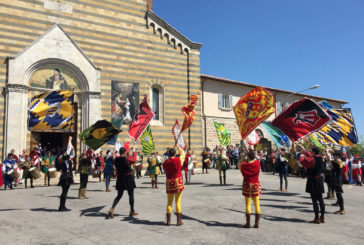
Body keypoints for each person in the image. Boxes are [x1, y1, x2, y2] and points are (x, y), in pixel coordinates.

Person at [108, 147, 138, 218]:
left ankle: (112, 208)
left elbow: (115, 166)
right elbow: (134, 159)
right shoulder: (126, 158)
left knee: (119, 195)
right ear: (124, 152)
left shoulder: (116, 159)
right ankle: (132, 210)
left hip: (120, 178)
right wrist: (133, 151)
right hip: (128, 178)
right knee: (131, 195)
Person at [298, 147, 325, 224]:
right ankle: (322, 217)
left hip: (313, 180)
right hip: (319, 180)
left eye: (311, 152)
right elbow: (310, 156)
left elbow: (303, 162)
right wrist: (304, 150)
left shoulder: (312, 160)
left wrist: (301, 154)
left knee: (314, 200)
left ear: (313, 152)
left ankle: (317, 218)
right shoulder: (320, 158)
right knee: (320, 199)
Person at [162, 146, 185, 226]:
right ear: (175, 153)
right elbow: (183, 154)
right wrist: (179, 147)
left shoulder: (165, 162)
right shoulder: (178, 160)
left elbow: (164, 167)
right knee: (178, 202)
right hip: (177, 182)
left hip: (169, 182)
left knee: (169, 203)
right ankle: (179, 221)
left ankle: (168, 221)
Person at [240, 150, 261, 228]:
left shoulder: (244, 165)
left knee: (248, 205)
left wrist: (243, 157)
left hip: (247, 185)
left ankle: (248, 223)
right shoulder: (257, 164)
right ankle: (256, 224)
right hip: (255, 184)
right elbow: (256, 162)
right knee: (257, 205)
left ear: (248, 157)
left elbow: (241, 166)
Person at [55, 136, 75, 211]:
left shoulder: (63, 157)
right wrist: (69, 140)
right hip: (65, 176)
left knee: (65, 192)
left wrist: (72, 147)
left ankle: (62, 206)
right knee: (64, 192)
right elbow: (69, 150)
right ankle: (61, 207)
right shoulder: (61, 157)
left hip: (67, 175)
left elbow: (73, 154)